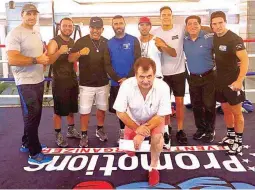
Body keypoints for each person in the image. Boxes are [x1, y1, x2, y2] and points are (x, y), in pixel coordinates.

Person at [5, 3, 52, 164]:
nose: (32, 17)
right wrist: (36, 59)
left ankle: (27, 142)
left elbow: (39, 55)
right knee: (32, 116)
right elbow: (12, 59)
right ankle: (34, 153)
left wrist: (43, 58)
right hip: (25, 83)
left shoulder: (34, 32)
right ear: (22, 15)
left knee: (35, 115)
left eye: (34, 14)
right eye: (28, 14)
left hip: (38, 79)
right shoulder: (15, 34)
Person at [113, 57, 171, 187]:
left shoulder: (163, 87)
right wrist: (136, 129)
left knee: (157, 138)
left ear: (155, 74)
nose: (146, 81)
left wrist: (142, 133)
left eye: (149, 76)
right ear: (135, 75)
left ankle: (154, 167)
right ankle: (130, 137)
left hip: (154, 119)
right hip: (133, 120)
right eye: (142, 77)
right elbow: (120, 112)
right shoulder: (126, 85)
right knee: (130, 150)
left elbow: (161, 116)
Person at [210, 11, 249, 155]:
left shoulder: (234, 39)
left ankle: (238, 142)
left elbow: (245, 60)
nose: (218, 26)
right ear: (212, 25)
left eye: (221, 23)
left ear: (225, 22)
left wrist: (239, 80)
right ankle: (231, 136)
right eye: (215, 24)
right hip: (219, 81)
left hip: (233, 82)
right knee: (226, 110)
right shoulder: (214, 37)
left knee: (237, 113)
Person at [69, 17, 109, 148]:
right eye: (93, 28)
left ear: (102, 29)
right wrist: (80, 53)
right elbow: (70, 58)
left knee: (102, 108)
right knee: (84, 111)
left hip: (103, 82)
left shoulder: (106, 42)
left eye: (98, 28)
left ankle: (100, 129)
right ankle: (84, 134)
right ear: (89, 28)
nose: (95, 31)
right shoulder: (81, 41)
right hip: (86, 83)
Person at [152, 6, 187, 146]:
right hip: (163, 74)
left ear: (172, 16)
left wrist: (163, 45)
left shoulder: (180, 28)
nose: (166, 17)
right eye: (163, 15)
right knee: (165, 105)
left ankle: (180, 129)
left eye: (168, 14)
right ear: (160, 17)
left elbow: (174, 53)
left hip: (179, 71)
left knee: (179, 103)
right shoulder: (155, 33)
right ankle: (166, 129)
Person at [104, 15, 141, 144]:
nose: (118, 25)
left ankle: (136, 131)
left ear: (124, 25)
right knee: (121, 110)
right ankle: (122, 131)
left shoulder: (133, 40)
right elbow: (107, 64)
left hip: (133, 82)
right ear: (112, 26)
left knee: (134, 108)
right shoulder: (108, 43)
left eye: (120, 23)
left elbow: (138, 60)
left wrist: (128, 78)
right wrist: (119, 79)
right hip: (116, 83)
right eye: (116, 23)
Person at [47, 17, 80, 148]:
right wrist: (59, 51)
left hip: (71, 79)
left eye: (70, 26)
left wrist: (79, 54)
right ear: (60, 27)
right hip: (60, 81)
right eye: (65, 26)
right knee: (59, 110)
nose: (67, 28)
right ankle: (58, 134)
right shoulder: (54, 42)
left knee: (72, 108)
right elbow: (48, 60)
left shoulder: (72, 41)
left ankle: (71, 129)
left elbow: (71, 60)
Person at [183, 15, 216, 143]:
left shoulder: (209, 37)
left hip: (209, 76)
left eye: (195, 23)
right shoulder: (184, 40)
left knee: (209, 105)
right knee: (196, 105)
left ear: (200, 25)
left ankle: (209, 130)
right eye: (189, 24)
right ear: (186, 27)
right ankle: (200, 129)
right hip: (194, 78)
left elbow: (222, 47)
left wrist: (236, 60)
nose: (193, 26)